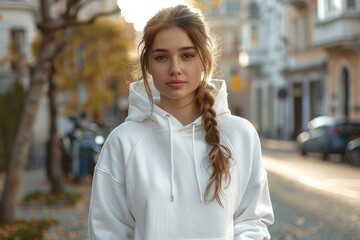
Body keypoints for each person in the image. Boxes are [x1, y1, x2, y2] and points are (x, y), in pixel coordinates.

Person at [88, 4, 274, 239]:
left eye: (187, 55)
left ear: (204, 60)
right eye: (162, 57)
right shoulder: (123, 141)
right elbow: (108, 232)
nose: (175, 68)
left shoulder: (240, 135)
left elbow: (252, 221)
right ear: (148, 65)